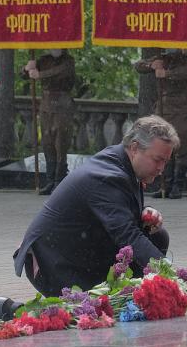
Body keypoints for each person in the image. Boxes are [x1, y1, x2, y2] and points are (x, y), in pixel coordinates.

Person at [12, 115, 177, 298]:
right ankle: (7, 307)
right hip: (52, 264)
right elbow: (127, 235)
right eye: (157, 159)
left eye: (165, 162)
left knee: (157, 236)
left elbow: (118, 214)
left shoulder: (120, 162)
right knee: (104, 305)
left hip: (78, 251)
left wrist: (144, 212)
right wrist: (172, 278)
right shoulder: (108, 175)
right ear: (134, 148)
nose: (161, 168)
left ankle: (141, 294)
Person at [134, 49, 187, 198]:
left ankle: (178, 186)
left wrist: (167, 74)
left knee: (180, 149)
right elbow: (138, 66)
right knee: (163, 146)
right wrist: (152, 65)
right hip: (163, 111)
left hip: (181, 111)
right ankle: (165, 185)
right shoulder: (164, 58)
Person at [22, 49, 77, 195]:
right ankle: (50, 180)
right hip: (46, 106)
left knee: (61, 142)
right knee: (47, 142)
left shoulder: (68, 61)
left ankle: (60, 180)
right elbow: (25, 75)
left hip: (63, 105)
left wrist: (39, 75)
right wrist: (27, 68)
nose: (55, 48)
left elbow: (60, 72)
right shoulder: (44, 60)